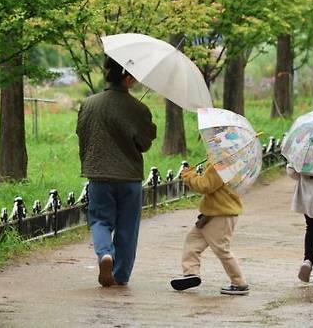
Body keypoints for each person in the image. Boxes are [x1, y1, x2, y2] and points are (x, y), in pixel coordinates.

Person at [76, 56, 157, 287]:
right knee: (127, 229)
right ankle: (121, 276)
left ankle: (105, 254)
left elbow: (82, 134)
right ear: (128, 78)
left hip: (99, 174)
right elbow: (144, 143)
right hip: (129, 177)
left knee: (100, 220)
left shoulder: (89, 104)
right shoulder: (139, 108)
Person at [170, 162, 249, 295]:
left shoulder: (221, 165)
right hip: (211, 214)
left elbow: (205, 186)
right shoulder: (228, 162)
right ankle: (191, 273)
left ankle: (239, 283)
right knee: (193, 241)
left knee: (221, 249)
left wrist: (189, 176)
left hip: (221, 214)